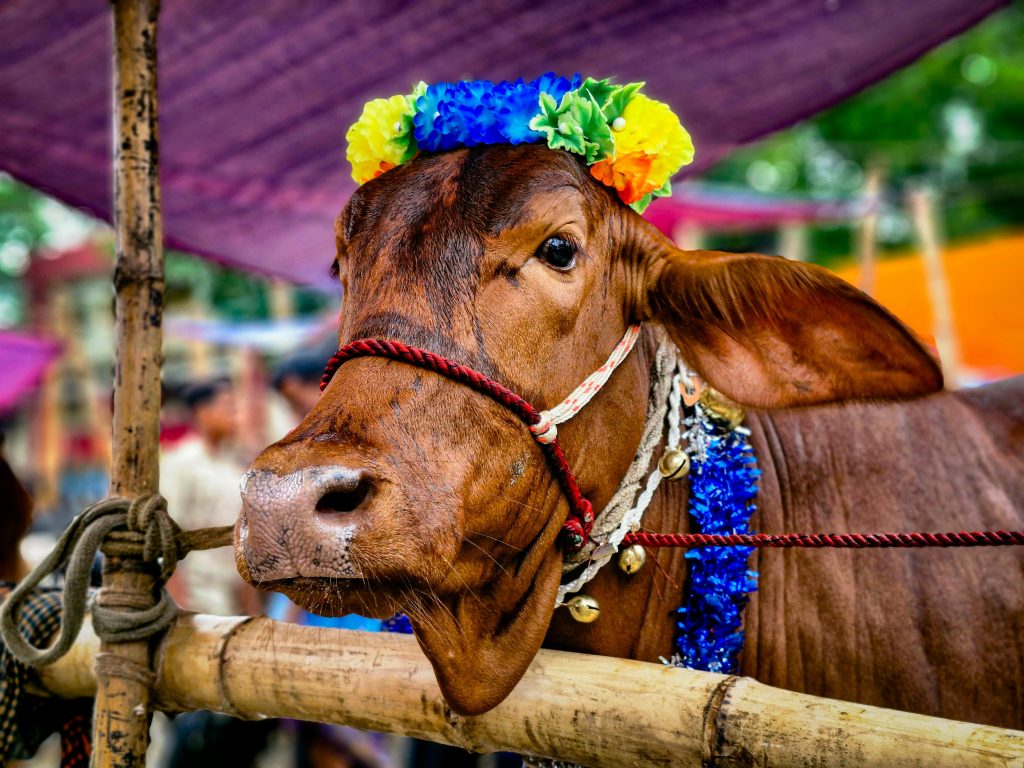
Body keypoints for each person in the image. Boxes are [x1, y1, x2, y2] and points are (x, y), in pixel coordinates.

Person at [160, 378, 259, 616]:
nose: (235, 415)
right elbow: (165, 536)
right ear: (202, 412)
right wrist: (179, 606)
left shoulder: (233, 466)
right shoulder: (180, 463)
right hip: (196, 594)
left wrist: (251, 609)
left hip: (230, 594)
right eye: (228, 407)